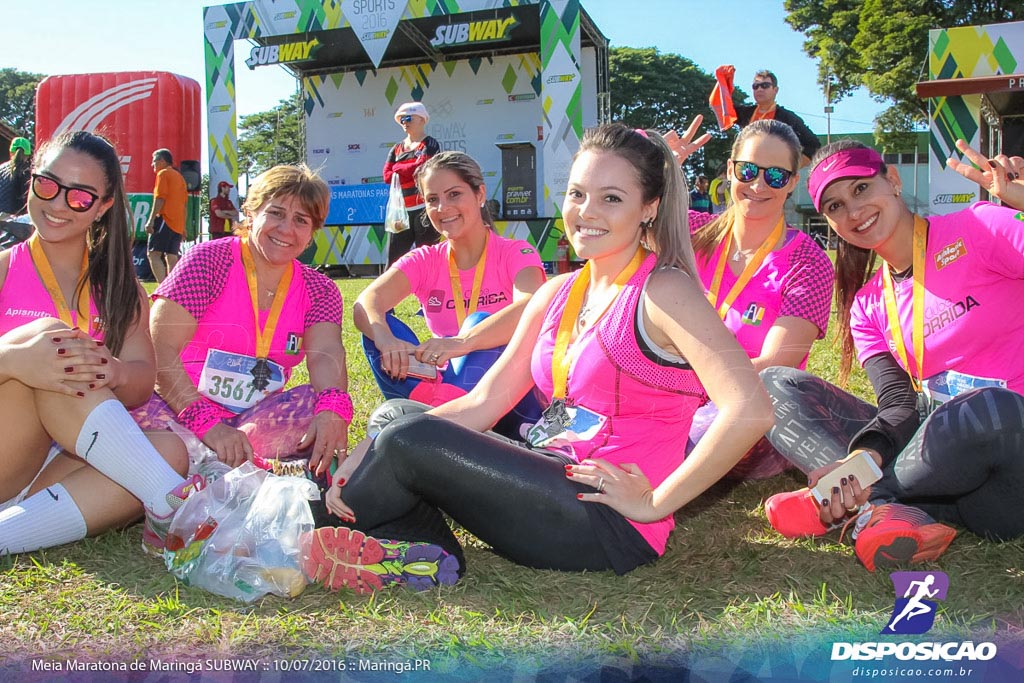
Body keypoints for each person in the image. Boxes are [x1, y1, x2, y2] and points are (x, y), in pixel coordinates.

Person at [306, 123, 773, 592]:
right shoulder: (558, 291)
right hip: (549, 475)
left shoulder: (664, 290)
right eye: (576, 194)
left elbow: (750, 409)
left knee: (408, 435)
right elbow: (483, 403)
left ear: (648, 208)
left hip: (606, 521)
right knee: (396, 416)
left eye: (611, 198)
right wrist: (372, 444)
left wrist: (654, 503)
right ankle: (425, 550)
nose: (585, 212)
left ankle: (312, 527)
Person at [760, 139, 1024, 573]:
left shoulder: (980, 227)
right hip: (932, 456)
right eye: (835, 206)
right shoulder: (867, 305)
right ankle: (883, 508)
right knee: (773, 385)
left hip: (1005, 453)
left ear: (894, 181)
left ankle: (849, 500)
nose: (853, 212)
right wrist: (861, 455)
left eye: (861, 190)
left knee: (989, 409)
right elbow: (899, 404)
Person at [0, 131, 191, 557]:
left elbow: (142, 380)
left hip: (54, 465)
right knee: (48, 340)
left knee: (168, 451)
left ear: (104, 206)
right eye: (47, 185)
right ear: (31, 178)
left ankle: (8, 532)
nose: (57, 204)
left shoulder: (120, 285)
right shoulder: (4, 269)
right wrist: (16, 360)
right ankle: (179, 506)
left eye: (80, 197)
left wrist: (115, 371)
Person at [140, 164, 351, 482]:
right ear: (251, 213)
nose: (286, 229)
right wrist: (206, 423)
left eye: (301, 220)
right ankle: (228, 467)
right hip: (177, 408)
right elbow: (159, 348)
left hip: (254, 422)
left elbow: (326, 355)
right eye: (276, 213)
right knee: (127, 411)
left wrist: (333, 409)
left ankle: (212, 470)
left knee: (318, 403)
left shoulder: (320, 290)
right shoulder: (208, 261)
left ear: (311, 235)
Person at [683, 119, 834, 479]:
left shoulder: (808, 261)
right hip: (671, 395)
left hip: (743, 410)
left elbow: (772, 364)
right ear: (730, 170)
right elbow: (628, 211)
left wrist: (680, 382)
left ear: (793, 182)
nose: (758, 184)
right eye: (747, 170)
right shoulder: (689, 231)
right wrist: (664, 165)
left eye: (776, 176)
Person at [354, 151, 546, 429]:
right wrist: (384, 338)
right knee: (376, 331)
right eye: (432, 199)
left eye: (454, 194)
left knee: (478, 321)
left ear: (480, 194)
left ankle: (429, 425)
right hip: (440, 383)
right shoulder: (425, 259)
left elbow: (533, 305)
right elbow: (366, 303)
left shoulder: (515, 252)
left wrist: (463, 341)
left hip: (506, 396)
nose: (442, 207)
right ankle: (441, 418)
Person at [383, 102, 441, 267]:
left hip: (424, 209)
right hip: (401, 213)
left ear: (422, 119)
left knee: (428, 258)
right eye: (401, 120)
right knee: (393, 261)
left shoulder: (430, 144)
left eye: (408, 118)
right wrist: (407, 169)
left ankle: (431, 292)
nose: (404, 123)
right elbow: (387, 176)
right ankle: (388, 292)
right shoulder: (396, 149)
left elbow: (423, 168)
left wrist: (398, 169)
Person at [734, 70, 820, 168]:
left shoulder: (787, 118)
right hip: (748, 171)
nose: (760, 89)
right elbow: (722, 108)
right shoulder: (745, 113)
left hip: (773, 174)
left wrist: (790, 167)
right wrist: (724, 80)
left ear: (775, 90)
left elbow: (813, 145)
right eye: (755, 86)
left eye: (765, 85)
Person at [145, 148, 188, 282]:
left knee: (153, 254)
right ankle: (173, 290)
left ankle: (163, 289)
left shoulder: (163, 174)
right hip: (178, 223)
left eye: (154, 161)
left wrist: (151, 220)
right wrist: (183, 227)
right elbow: (184, 205)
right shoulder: (180, 177)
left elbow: (160, 198)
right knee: (171, 256)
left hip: (165, 219)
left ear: (162, 161)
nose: (152, 165)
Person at [0, 137, 32, 215]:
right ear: (28, 155)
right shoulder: (28, 173)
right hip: (15, 220)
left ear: (11, 152)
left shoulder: (1, 168)